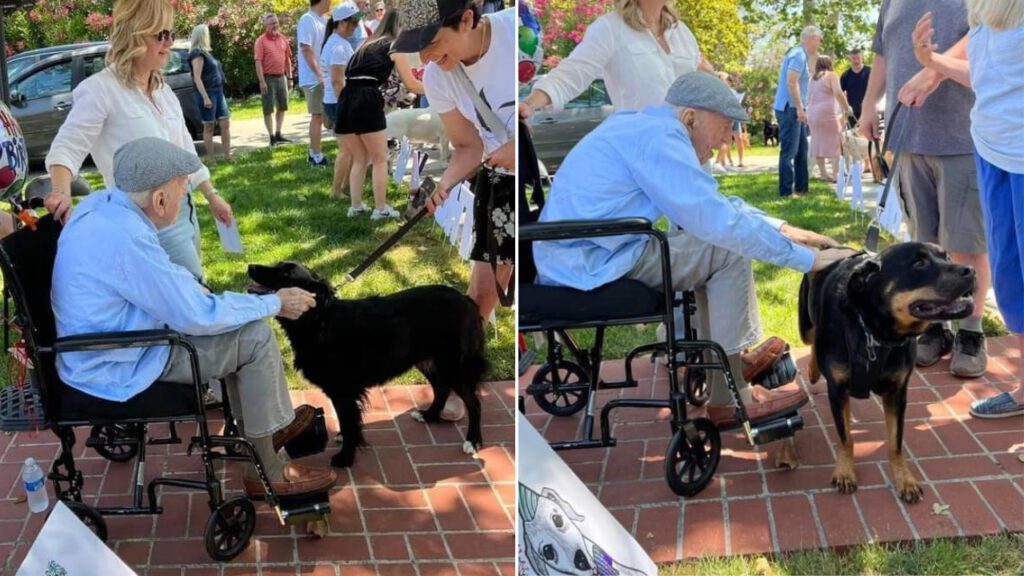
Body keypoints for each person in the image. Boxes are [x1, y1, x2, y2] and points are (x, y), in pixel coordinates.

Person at [534, 72, 857, 427]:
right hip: (592, 261)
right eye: (725, 125)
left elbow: (711, 203)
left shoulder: (645, 127)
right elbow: (718, 222)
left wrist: (781, 228)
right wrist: (809, 262)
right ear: (691, 117)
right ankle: (728, 397)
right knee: (726, 250)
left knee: (714, 247)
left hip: (583, 251)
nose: (728, 137)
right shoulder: (661, 139)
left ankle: (724, 362)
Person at [52, 137, 337, 498]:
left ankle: (260, 430)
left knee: (240, 327)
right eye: (183, 187)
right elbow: (197, 316)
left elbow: (159, 279)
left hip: (98, 352)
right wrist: (275, 302)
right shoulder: (127, 239)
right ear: (159, 199)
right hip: (118, 363)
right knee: (255, 337)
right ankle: (267, 465)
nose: (187, 193)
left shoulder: (102, 206)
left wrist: (191, 287)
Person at [43, 0, 233, 282]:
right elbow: (66, 147)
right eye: (161, 35)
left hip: (183, 211)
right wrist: (60, 191)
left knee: (186, 298)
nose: (169, 42)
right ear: (134, 33)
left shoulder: (163, 91)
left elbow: (183, 151)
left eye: (171, 33)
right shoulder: (100, 91)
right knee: (190, 299)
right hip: (144, 223)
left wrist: (212, 196)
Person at [393, 0, 517, 422]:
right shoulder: (440, 76)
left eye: (431, 43)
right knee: (480, 296)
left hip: (545, 180)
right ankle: (454, 386)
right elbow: (469, 146)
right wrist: (444, 184)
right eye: (417, 48)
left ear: (467, 19)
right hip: (499, 184)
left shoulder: (517, 32)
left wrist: (521, 149)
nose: (425, 58)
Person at [861, 0, 992, 378]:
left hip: (961, 137)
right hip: (907, 138)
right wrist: (869, 103)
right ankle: (936, 326)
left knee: (967, 245)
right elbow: (883, 51)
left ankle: (971, 331)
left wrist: (933, 72)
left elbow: (984, 33)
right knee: (924, 243)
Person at [910, 2, 1024, 417]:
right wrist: (933, 61)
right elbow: (990, 77)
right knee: (1011, 277)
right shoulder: (982, 10)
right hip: (993, 150)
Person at [519, 0, 713, 116]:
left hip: (691, 157)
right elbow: (571, 75)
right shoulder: (610, 29)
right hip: (643, 157)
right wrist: (529, 104)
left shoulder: (682, 32)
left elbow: (699, 82)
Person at [336, 9, 421, 220]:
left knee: (359, 158)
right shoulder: (395, 46)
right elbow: (410, 82)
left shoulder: (365, 46)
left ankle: (355, 206)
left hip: (347, 99)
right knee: (380, 159)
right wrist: (440, 89)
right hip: (367, 99)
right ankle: (381, 208)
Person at [773, 25, 822, 198]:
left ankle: (802, 188)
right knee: (789, 151)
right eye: (819, 40)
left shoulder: (801, 54)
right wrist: (800, 109)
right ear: (812, 39)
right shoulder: (798, 55)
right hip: (790, 109)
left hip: (796, 108)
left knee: (802, 149)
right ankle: (786, 191)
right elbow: (791, 82)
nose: (820, 44)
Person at [320, 4, 360, 200]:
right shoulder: (337, 47)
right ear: (342, 22)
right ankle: (336, 191)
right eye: (353, 22)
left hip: (339, 101)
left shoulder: (340, 43)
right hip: (339, 102)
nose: (356, 26)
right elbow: (337, 82)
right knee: (346, 149)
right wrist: (348, 106)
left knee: (352, 149)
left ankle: (344, 186)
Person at [188, 24, 232, 164]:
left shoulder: (207, 53)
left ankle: (228, 155)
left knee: (225, 123)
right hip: (207, 93)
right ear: (202, 35)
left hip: (218, 91)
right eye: (206, 33)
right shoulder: (197, 54)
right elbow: (197, 77)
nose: (209, 36)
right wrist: (205, 97)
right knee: (209, 125)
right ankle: (212, 159)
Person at [297, 0, 332, 167]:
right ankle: (315, 156)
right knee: (317, 116)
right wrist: (319, 74)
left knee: (327, 118)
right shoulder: (307, 19)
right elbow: (306, 48)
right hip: (313, 78)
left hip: (324, 76)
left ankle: (317, 152)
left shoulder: (324, 20)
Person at [806, 55, 853, 182]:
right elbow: (838, 92)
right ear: (829, 64)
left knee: (817, 141)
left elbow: (809, 97)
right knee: (836, 140)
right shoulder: (831, 75)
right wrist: (847, 107)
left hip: (812, 113)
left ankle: (823, 173)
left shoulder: (812, 79)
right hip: (827, 112)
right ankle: (836, 174)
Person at [255, 13, 294, 147]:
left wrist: (289, 77)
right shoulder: (261, 41)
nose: (275, 25)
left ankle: (278, 133)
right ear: (265, 26)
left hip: (281, 77)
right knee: (268, 109)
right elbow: (258, 62)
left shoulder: (283, 38)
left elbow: (287, 59)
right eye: (272, 23)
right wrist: (261, 81)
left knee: (282, 106)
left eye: (276, 22)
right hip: (268, 78)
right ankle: (271, 137)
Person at [839, 47, 871, 125]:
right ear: (850, 59)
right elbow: (840, 93)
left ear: (862, 58)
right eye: (853, 58)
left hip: (869, 109)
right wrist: (845, 108)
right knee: (855, 135)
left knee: (870, 135)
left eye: (858, 58)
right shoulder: (845, 75)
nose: (856, 61)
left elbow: (877, 89)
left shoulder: (870, 72)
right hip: (852, 112)